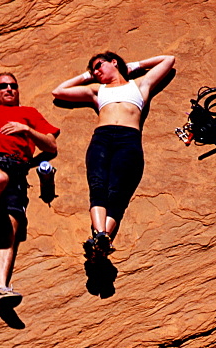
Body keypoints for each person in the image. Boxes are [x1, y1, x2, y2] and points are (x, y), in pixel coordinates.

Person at [52, 52, 175, 259]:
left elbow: (168, 60)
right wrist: (87, 76)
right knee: (98, 185)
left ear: (114, 62)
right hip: (103, 138)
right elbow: (58, 91)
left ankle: (101, 239)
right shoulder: (96, 90)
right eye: (93, 70)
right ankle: (102, 235)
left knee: (118, 192)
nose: (96, 71)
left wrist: (133, 66)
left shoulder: (139, 85)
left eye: (99, 66)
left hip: (129, 139)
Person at [0, 73, 60, 306]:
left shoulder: (29, 114)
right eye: (3, 86)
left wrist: (26, 129)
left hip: (17, 168)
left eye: (13, 86)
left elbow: (51, 146)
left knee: (10, 231)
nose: (9, 89)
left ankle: (0, 288)